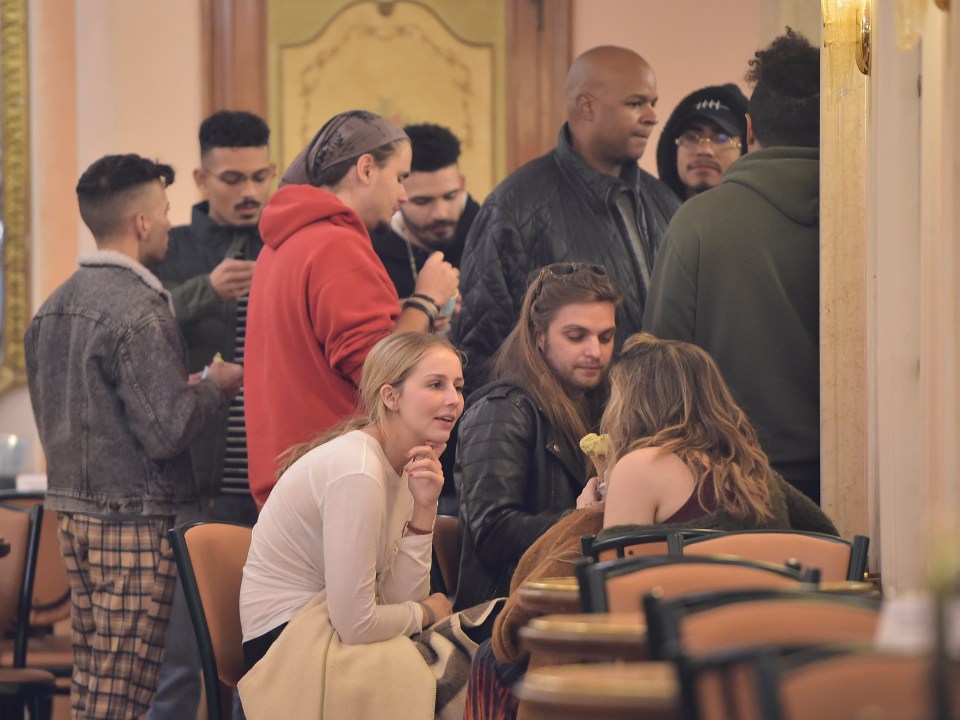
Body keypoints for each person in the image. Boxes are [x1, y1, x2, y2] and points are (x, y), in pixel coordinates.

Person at [470, 333, 838, 720]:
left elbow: (608, 591)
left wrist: (587, 516)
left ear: (635, 402)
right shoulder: (755, 472)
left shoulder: (642, 465)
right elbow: (831, 542)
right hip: (762, 660)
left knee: (491, 660)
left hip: (664, 662)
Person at [24, 154, 243, 719]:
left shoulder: (53, 307)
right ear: (142, 222)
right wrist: (216, 386)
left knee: (96, 685)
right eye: (165, 211)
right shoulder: (142, 311)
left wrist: (183, 387)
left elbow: (107, 411)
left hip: (73, 514)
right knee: (126, 695)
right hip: (135, 523)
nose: (171, 222)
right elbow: (168, 431)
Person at [238, 333, 494, 719]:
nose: (454, 400)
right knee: (483, 661)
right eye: (435, 385)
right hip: (290, 645)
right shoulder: (358, 469)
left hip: (330, 630)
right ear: (391, 397)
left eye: (458, 386)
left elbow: (392, 602)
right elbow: (357, 624)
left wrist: (423, 509)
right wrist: (426, 612)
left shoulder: (407, 465)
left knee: (492, 641)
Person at [244, 110, 460, 506]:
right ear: (365, 168)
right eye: (399, 177)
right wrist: (426, 299)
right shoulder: (337, 244)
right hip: (336, 479)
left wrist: (403, 312)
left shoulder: (285, 241)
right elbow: (381, 376)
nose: (402, 195)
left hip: (294, 474)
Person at [643, 29, 822, 503]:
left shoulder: (697, 222)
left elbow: (661, 365)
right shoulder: (875, 218)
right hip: (866, 474)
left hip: (730, 481)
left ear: (747, 131)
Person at [453, 45, 680, 390]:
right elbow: (482, 351)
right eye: (636, 103)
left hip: (659, 425)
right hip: (562, 432)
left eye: (653, 103)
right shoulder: (514, 207)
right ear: (586, 106)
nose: (651, 116)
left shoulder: (662, 200)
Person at [148, 110, 272, 720]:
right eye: (231, 178)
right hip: (196, 483)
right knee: (183, 659)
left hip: (273, 480)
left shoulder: (285, 239)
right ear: (201, 177)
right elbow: (131, 326)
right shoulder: (172, 247)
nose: (248, 191)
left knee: (267, 654)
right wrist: (205, 290)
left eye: (259, 175)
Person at [454, 263, 623, 609]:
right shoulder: (501, 410)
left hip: (571, 594)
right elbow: (491, 532)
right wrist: (581, 519)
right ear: (538, 334)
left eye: (606, 337)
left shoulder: (604, 403)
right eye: (576, 336)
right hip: (506, 613)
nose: (595, 351)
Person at [371, 123, 480, 300]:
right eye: (422, 201)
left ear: (462, 184)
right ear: (399, 192)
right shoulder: (372, 248)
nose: (440, 214)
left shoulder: (490, 232)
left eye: (450, 196)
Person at [655, 83, 748, 201]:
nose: (704, 150)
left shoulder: (765, 217)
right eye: (691, 137)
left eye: (721, 138)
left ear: (745, 152)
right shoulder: (644, 214)